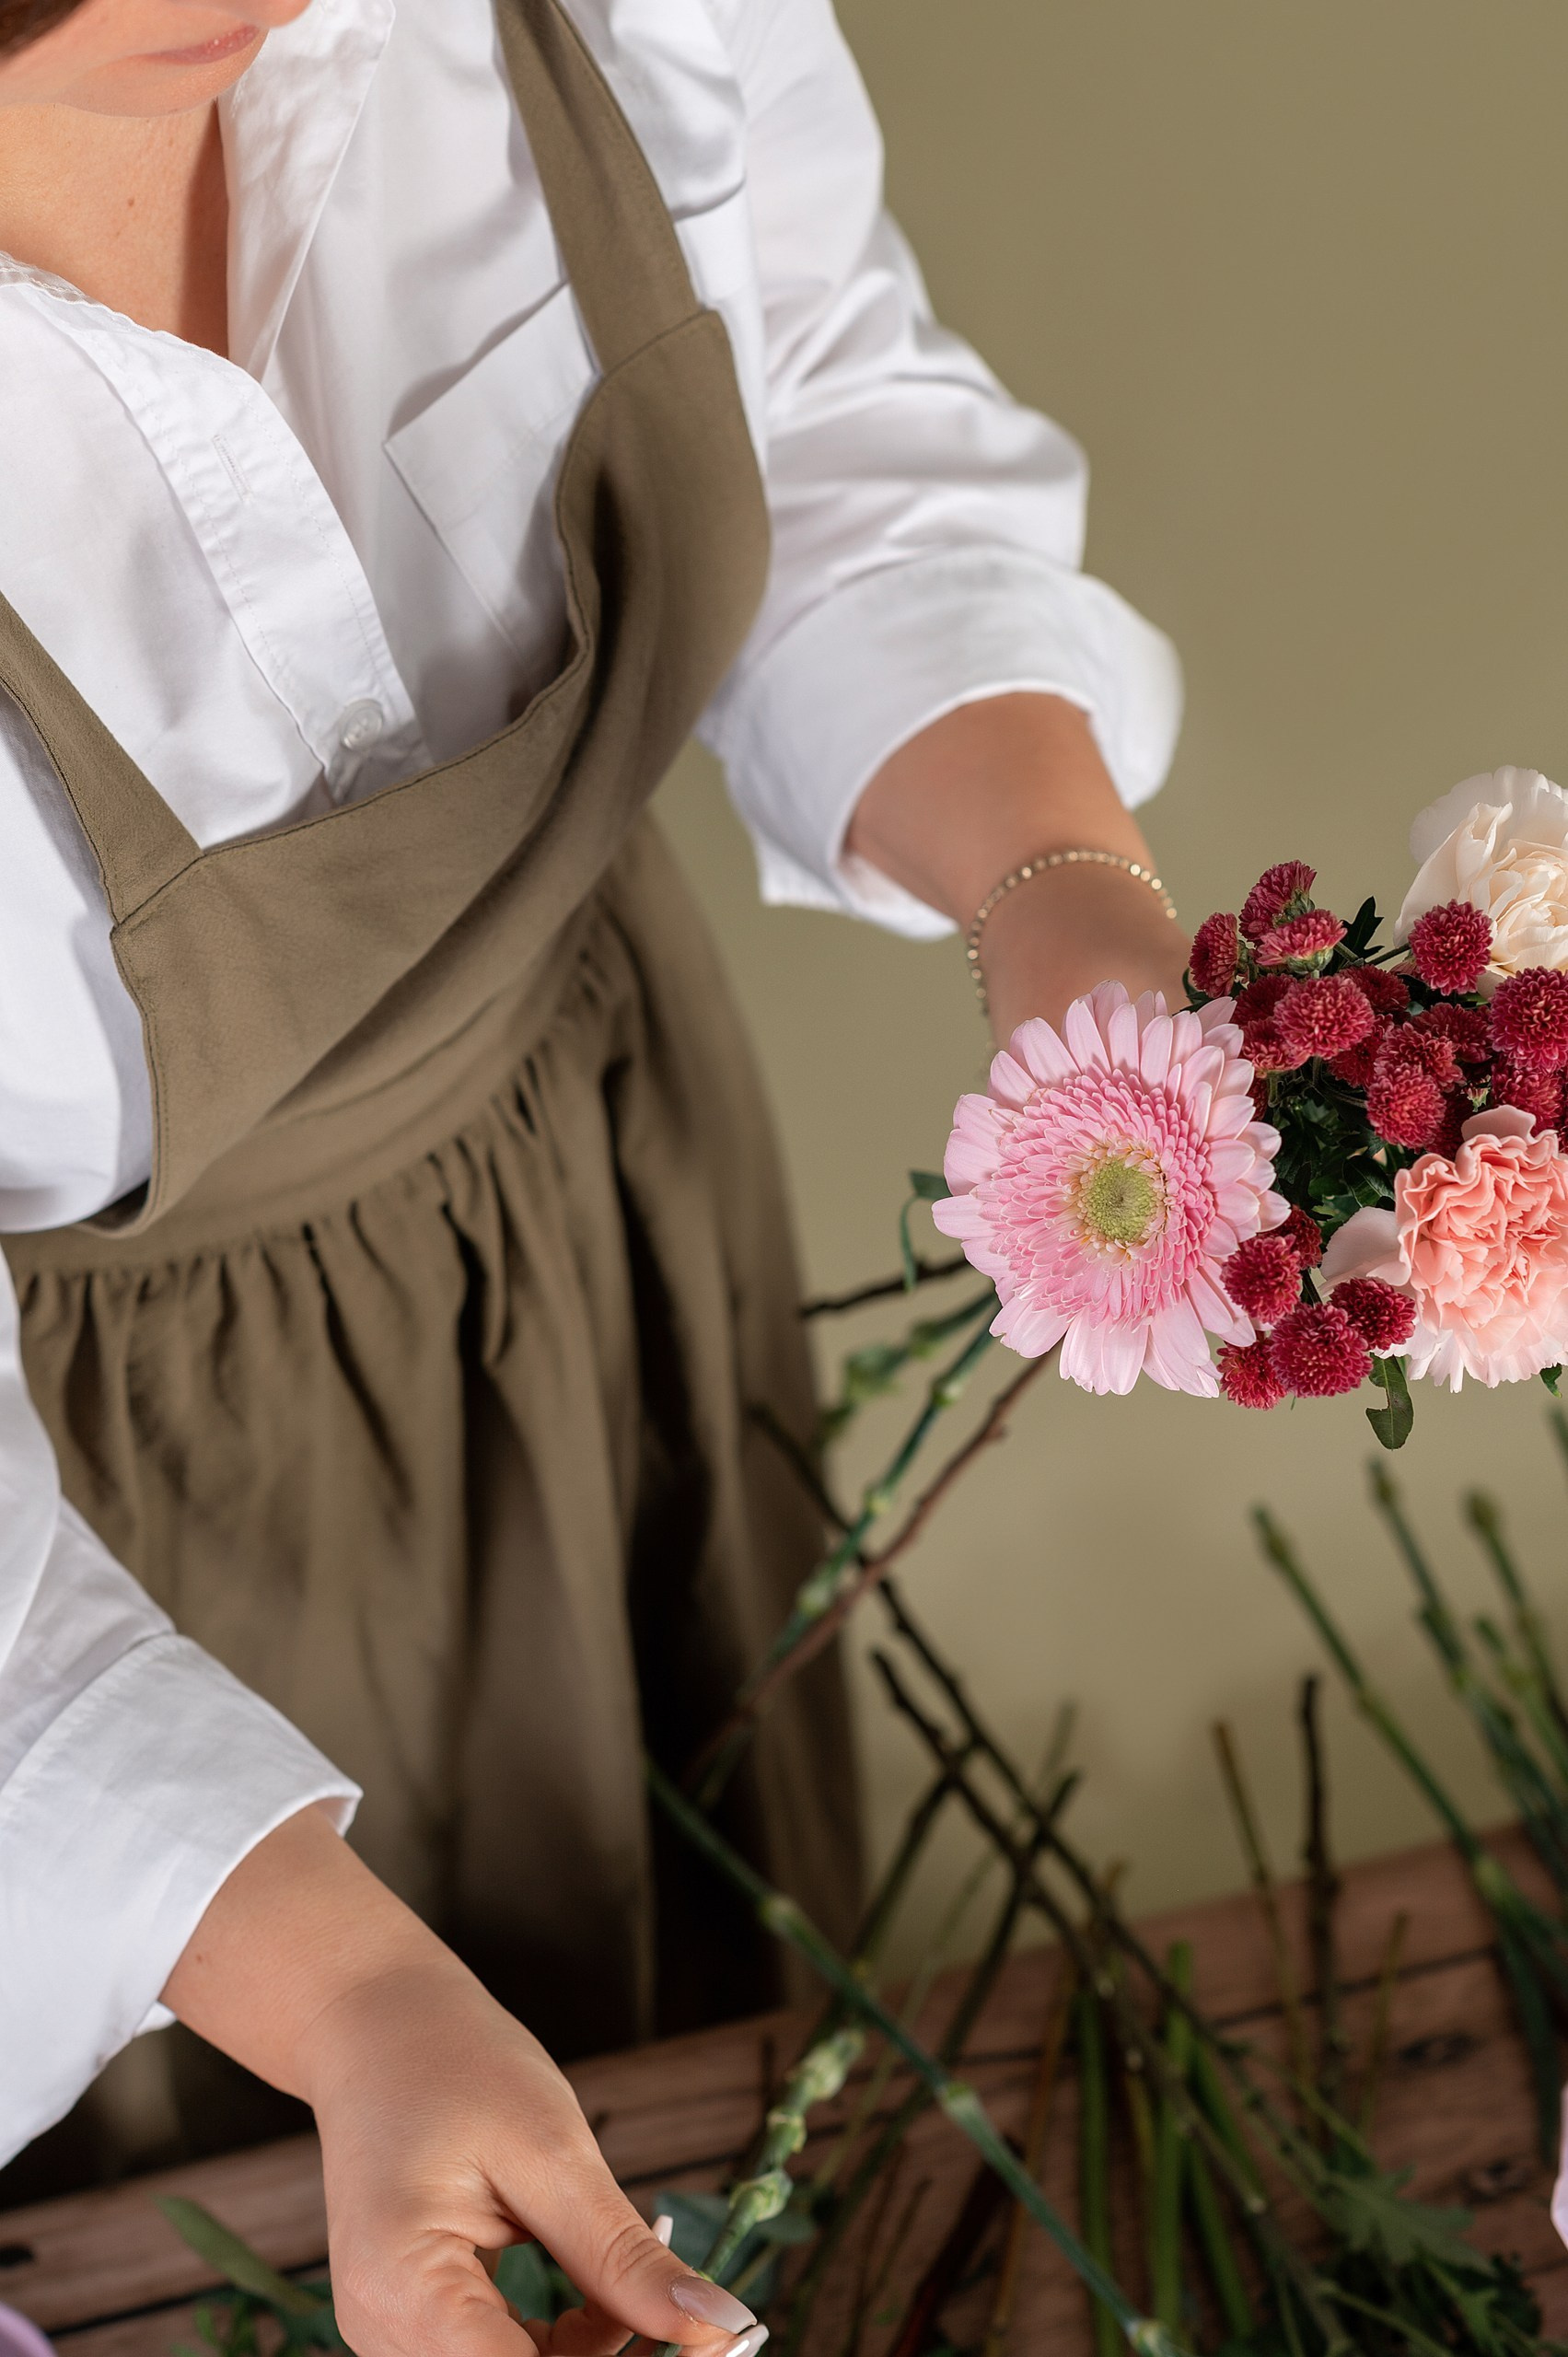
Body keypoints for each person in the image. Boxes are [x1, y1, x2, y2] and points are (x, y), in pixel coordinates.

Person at [0, 0, 1189, 2348]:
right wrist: (340, 1991)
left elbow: (808, 398)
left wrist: (1068, 907)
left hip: (606, 1244)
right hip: (87, 1578)